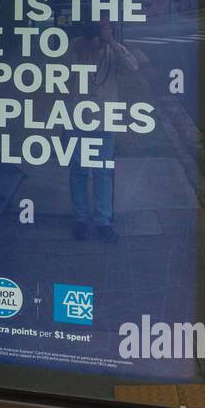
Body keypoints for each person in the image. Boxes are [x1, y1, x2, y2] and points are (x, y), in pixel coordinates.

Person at [68, 20, 138, 242]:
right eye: (97, 27)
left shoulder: (113, 51)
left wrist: (112, 43)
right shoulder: (78, 45)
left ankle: (103, 221)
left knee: (103, 172)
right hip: (78, 117)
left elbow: (133, 67)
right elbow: (64, 66)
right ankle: (80, 218)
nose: (99, 31)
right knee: (78, 170)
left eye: (105, 28)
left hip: (104, 120)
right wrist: (89, 40)